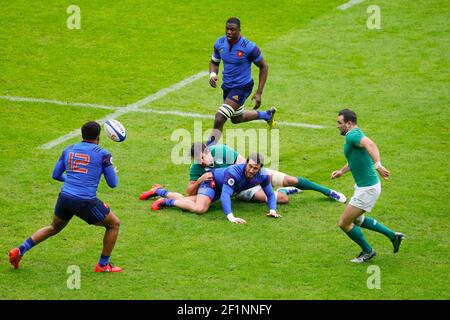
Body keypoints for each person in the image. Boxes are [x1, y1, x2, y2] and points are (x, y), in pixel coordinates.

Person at [8, 121, 122, 272]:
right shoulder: (103, 154)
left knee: (53, 227)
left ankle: (19, 250)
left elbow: (56, 175)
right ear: (98, 137)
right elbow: (113, 184)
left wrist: (73, 179)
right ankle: (103, 265)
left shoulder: (68, 149)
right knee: (114, 224)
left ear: (82, 135)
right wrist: (112, 171)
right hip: (85, 201)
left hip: (65, 198)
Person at [140, 142, 346, 204]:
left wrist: (259, 180)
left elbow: (244, 166)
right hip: (238, 190)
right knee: (281, 199)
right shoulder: (197, 168)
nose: (201, 162)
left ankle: (327, 191)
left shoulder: (222, 151)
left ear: (206, 151)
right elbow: (189, 191)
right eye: (198, 161)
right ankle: (287, 191)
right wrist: (203, 178)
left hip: (253, 176)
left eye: (202, 158)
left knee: (291, 178)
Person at [331, 109, 404, 263]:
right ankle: (393, 236)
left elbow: (371, 144)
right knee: (357, 220)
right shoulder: (352, 136)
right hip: (365, 187)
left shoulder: (353, 135)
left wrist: (378, 165)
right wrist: (342, 172)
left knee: (344, 223)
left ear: (349, 124)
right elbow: (355, 159)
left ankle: (368, 251)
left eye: (339, 123)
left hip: (367, 190)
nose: (338, 126)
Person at [148, 153, 280, 224]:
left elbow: (270, 194)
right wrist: (231, 217)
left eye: (255, 168)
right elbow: (225, 195)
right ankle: (166, 202)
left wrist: (272, 210)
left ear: (260, 168)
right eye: (250, 166)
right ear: (245, 163)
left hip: (219, 187)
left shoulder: (263, 176)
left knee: (187, 200)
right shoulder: (234, 173)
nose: (251, 170)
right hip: (211, 182)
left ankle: (159, 191)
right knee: (200, 208)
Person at [207, 17, 276, 146]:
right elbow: (214, 62)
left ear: (239, 30)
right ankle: (267, 115)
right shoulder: (219, 43)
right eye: (227, 29)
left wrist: (259, 92)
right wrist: (212, 74)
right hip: (227, 87)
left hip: (242, 87)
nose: (229, 32)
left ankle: (207, 151)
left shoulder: (249, 47)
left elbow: (264, 66)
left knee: (219, 118)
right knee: (236, 118)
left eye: (232, 29)